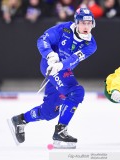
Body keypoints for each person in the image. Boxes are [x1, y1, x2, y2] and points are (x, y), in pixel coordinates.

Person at [8, 7, 97, 149]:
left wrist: (61, 65)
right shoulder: (63, 29)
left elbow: (75, 58)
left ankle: (20, 120)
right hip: (49, 65)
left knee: (49, 112)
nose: (86, 26)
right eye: (83, 23)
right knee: (76, 91)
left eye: (89, 23)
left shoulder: (91, 45)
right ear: (76, 22)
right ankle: (60, 131)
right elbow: (42, 39)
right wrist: (50, 55)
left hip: (63, 69)